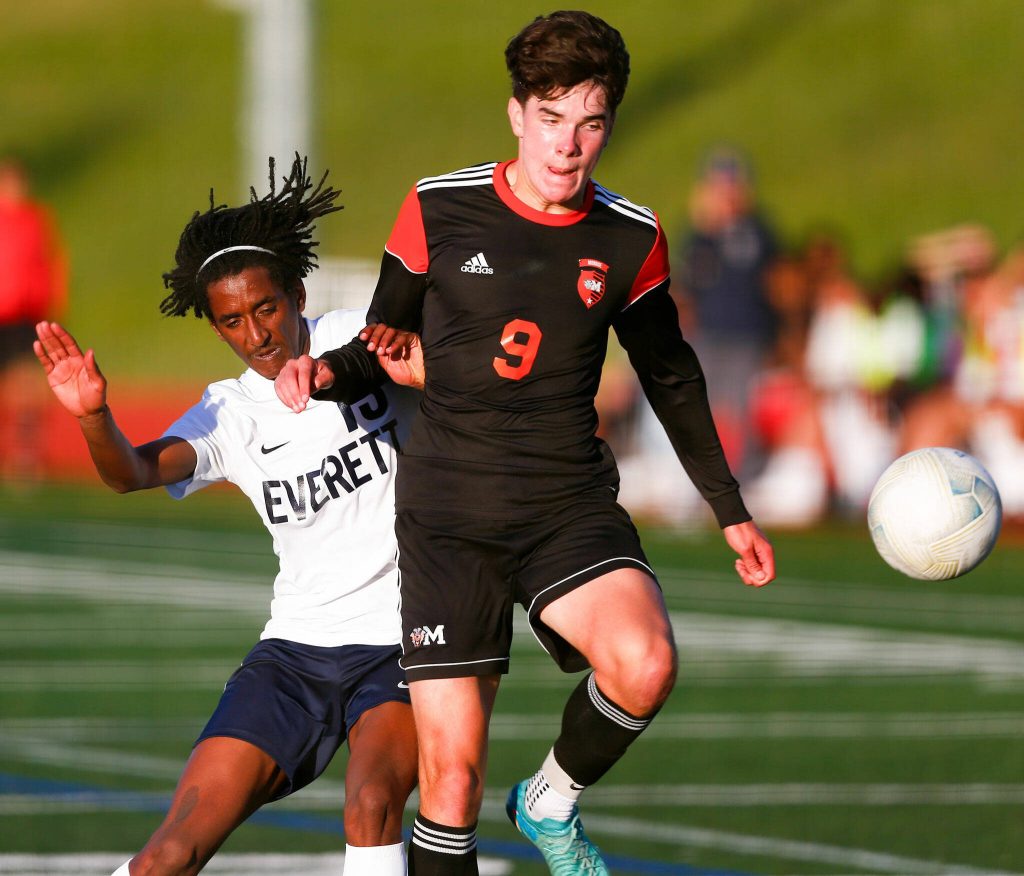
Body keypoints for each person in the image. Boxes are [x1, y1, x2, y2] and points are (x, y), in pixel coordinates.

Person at [277, 13, 776, 876]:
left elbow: (672, 376)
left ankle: (550, 800)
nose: (568, 145)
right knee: (451, 782)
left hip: (564, 505)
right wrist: (323, 373)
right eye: (551, 118)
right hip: (449, 521)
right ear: (517, 116)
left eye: (590, 122)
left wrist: (729, 509)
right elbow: (383, 347)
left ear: (609, 125)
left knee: (646, 662)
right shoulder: (438, 206)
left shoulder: (632, 237)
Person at [33, 156, 422, 876]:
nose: (256, 334)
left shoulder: (360, 336)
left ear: (297, 293)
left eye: (266, 308)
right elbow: (135, 472)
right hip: (297, 650)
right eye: (233, 322)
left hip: (406, 639)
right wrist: (93, 417)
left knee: (370, 806)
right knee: (170, 851)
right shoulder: (229, 410)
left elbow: (444, 358)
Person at [0, 157, 67, 481]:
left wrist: (51, 299)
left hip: (24, 312)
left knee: (25, 384)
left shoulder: (35, 219)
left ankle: (24, 454)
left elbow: (50, 262)